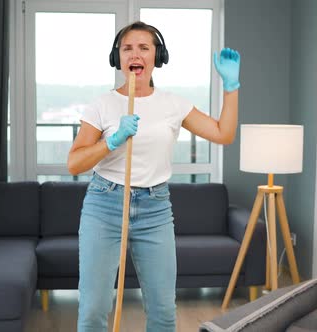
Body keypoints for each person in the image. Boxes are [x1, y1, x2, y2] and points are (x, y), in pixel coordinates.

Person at [67, 21, 241, 332]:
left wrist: (231, 88)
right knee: (93, 308)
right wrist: (112, 140)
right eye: (127, 48)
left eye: (144, 47)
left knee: (162, 311)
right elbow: (75, 164)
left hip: (155, 209)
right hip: (104, 205)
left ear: (156, 56)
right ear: (118, 58)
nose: (135, 53)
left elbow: (223, 133)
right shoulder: (102, 105)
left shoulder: (173, 104)